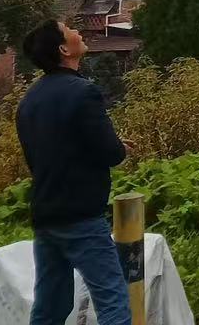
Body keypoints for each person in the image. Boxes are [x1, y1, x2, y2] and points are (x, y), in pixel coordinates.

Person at [17, 19, 130, 325]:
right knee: (113, 300)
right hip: (81, 217)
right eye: (70, 30)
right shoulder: (84, 92)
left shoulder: (29, 100)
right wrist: (121, 149)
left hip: (45, 215)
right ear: (65, 49)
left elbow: (41, 157)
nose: (79, 32)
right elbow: (111, 153)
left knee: (51, 306)